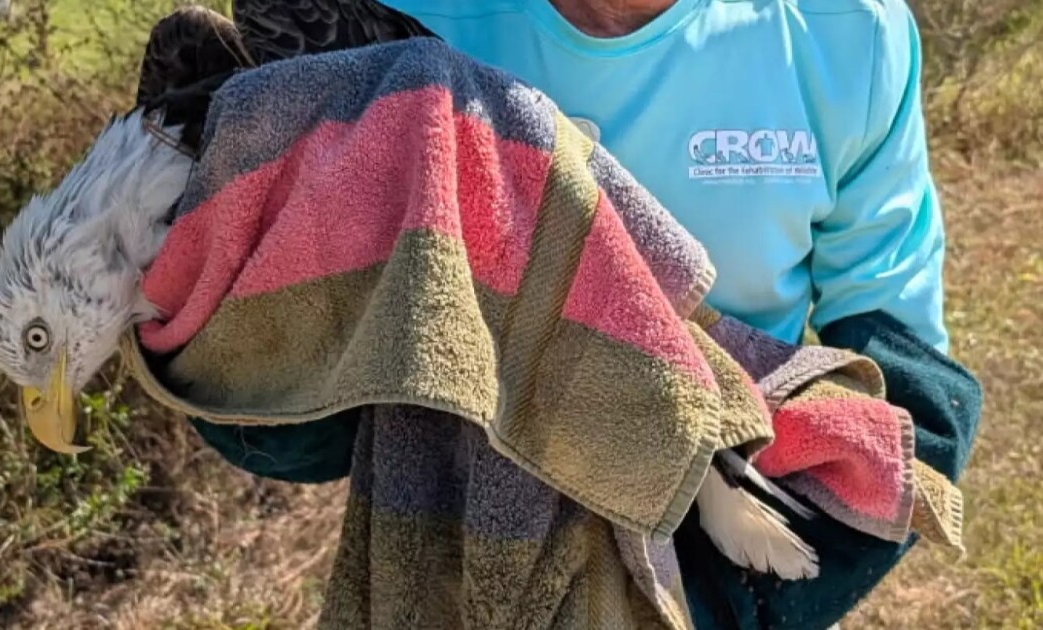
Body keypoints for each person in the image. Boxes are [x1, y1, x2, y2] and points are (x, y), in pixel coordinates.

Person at [154, 1, 984, 627]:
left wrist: (728, 600)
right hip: (446, 556)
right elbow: (318, 409)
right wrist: (244, 368)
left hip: (716, 536)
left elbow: (900, 372)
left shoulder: (845, 35)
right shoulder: (385, 29)